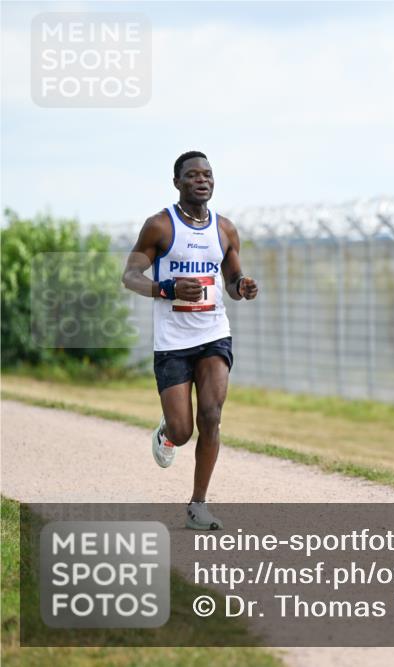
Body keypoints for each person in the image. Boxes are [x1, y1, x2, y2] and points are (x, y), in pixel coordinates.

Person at [121, 150, 258, 530]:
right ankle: (167, 432)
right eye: (193, 175)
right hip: (172, 341)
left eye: (207, 174)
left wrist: (242, 286)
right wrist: (166, 288)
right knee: (183, 431)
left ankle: (198, 505)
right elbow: (130, 276)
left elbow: (232, 281)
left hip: (213, 334)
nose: (202, 180)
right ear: (177, 182)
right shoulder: (160, 226)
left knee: (211, 416)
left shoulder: (225, 229)